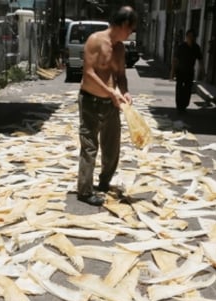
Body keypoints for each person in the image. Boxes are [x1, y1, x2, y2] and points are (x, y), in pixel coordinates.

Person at [76, 6, 137, 206]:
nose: (131, 34)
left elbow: (121, 76)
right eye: (131, 29)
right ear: (123, 25)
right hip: (90, 101)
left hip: (111, 105)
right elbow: (89, 73)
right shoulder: (95, 40)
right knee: (89, 146)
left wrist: (125, 91)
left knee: (112, 148)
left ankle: (104, 181)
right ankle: (84, 191)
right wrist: (110, 91)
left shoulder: (120, 48)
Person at [170, 28, 204, 112]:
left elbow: (200, 60)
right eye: (189, 36)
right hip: (180, 71)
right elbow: (175, 59)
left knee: (188, 90)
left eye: (192, 37)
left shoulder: (196, 48)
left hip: (189, 72)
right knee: (179, 89)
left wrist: (202, 70)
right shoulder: (181, 47)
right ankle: (179, 107)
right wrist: (172, 72)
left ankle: (184, 105)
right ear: (186, 37)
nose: (190, 38)